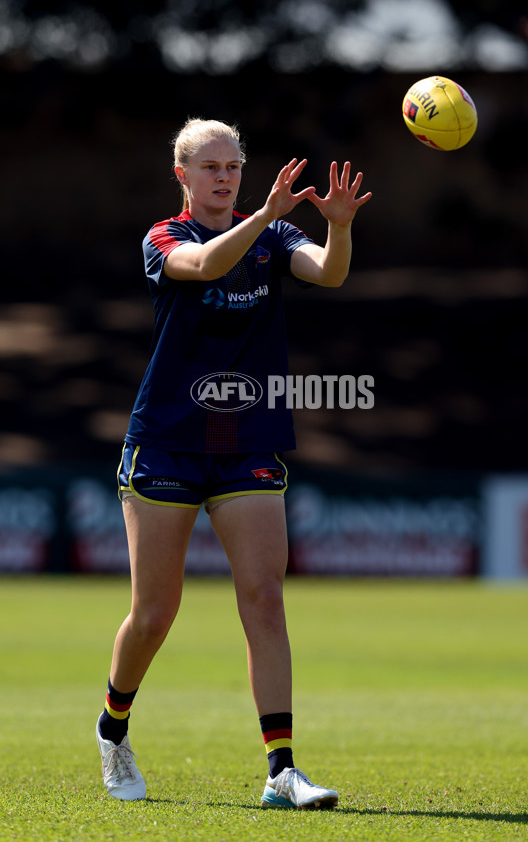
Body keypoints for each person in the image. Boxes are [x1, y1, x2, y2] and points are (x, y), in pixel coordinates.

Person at [95, 117, 371, 809]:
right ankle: (113, 725)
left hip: (248, 442)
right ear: (182, 175)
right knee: (155, 615)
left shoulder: (275, 232)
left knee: (265, 599)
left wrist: (335, 225)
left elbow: (329, 274)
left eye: (233, 165)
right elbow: (207, 265)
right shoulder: (165, 239)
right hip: (166, 440)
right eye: (210, 166)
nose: (224, 177)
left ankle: (282, 769)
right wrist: (266, 218)